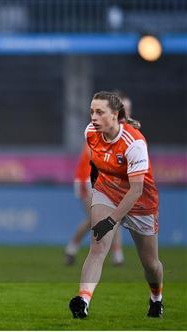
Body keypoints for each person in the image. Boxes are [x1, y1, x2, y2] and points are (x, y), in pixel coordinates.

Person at [69, 91, 163, 319]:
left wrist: (111, 221)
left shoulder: (135, 142)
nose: (94, 117)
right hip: (107, 191)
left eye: (100, 112)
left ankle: (156, 298)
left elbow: (136, 190)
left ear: (115, 115)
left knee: (150, 264)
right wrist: (96, 188)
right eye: (92, 111)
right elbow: (95, 162)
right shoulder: (91, 132)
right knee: (98, 247)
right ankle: (83, 300)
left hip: (140, 201)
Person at [64, 92, 135, 266]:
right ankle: (115, 256)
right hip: (86, 179)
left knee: (104, 217)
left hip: (100, 181)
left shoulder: (121, 133)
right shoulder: (98, 129)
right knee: (103, 217)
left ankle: (74, 249)